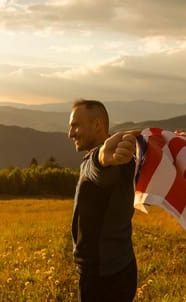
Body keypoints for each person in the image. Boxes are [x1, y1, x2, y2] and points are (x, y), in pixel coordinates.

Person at [68, 99, 138, 302]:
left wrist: (102, 159)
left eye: (75, 125)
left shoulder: (110, 161)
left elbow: (100, 171)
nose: (70, 133)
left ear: (97, 125)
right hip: (120, 266)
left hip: (102, 278)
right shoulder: (122, 159)